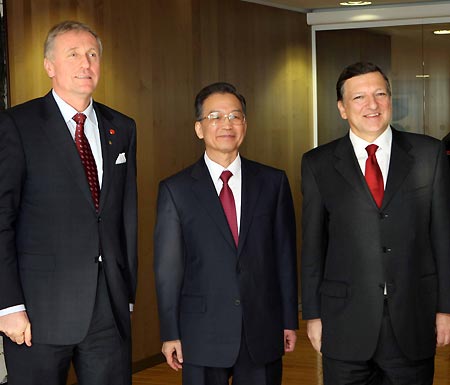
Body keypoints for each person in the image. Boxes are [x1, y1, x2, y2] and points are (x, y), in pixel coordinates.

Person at [0, 21, 137, 385]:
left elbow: (125, 216)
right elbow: (2, 220)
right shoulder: (16, 125)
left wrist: (126, 292)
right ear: (49, 66)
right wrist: (8, 306)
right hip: (37, 311)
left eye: (92, 54)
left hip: (107, 308)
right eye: (73, 54)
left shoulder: (121, 127)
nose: (85, 64)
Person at [301, 61, 450, 384]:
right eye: (359, 97)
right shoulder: (317, 163)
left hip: (412, 317)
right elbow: (313, 246)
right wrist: (312, 314)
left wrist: (445, 309)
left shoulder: (429, 154)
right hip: (344, 322)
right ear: (342, 108)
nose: (372, 104)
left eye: (380, 94)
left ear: (390, 100)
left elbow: (443, 238)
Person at [153, 82, 298, 385]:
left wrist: (288, 320)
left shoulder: (273, 182)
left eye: (235, 116)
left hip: (261, 327)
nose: (226, 125)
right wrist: (170, 333)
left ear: (245, 124)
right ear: (198, 128)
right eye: (215, 116)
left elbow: (285, 256)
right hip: (201, 332)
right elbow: (168, 269)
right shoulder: (175, 190)